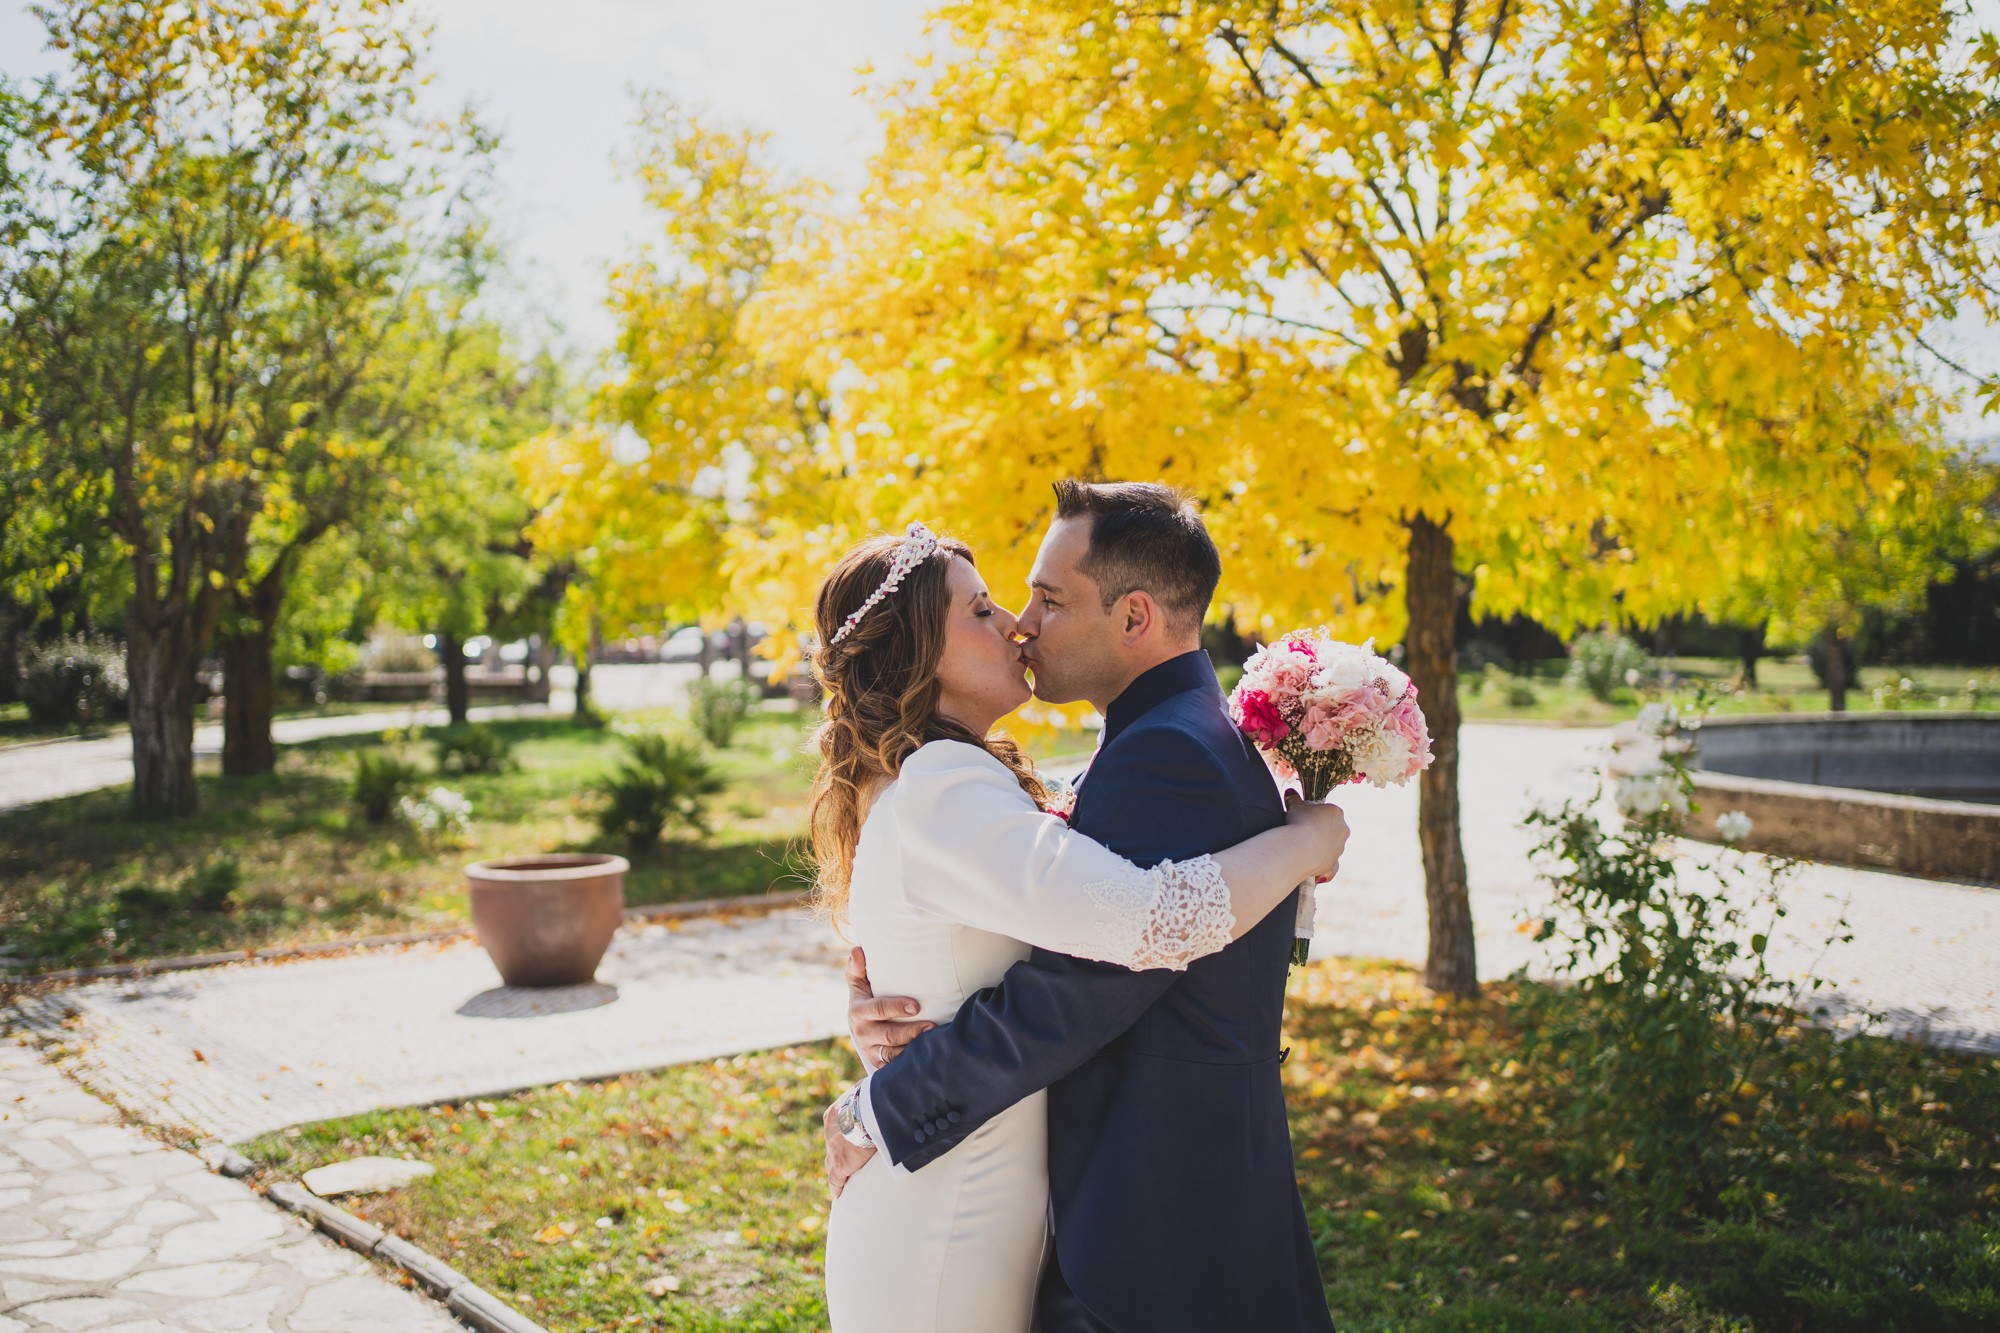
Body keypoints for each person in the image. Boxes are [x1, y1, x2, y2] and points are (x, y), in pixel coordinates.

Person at [808, 511, 1348, 1333]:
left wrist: (879, 1099)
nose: (1018, 625)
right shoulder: (950, 781)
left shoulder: (1137, 752)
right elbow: (1142, 926)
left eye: (1039, 601)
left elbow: (1074, 976)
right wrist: (1306, 839)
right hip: (950, 1219)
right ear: (921, 654)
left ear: (1132, 616)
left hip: (1091, 1206)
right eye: (985, 609)